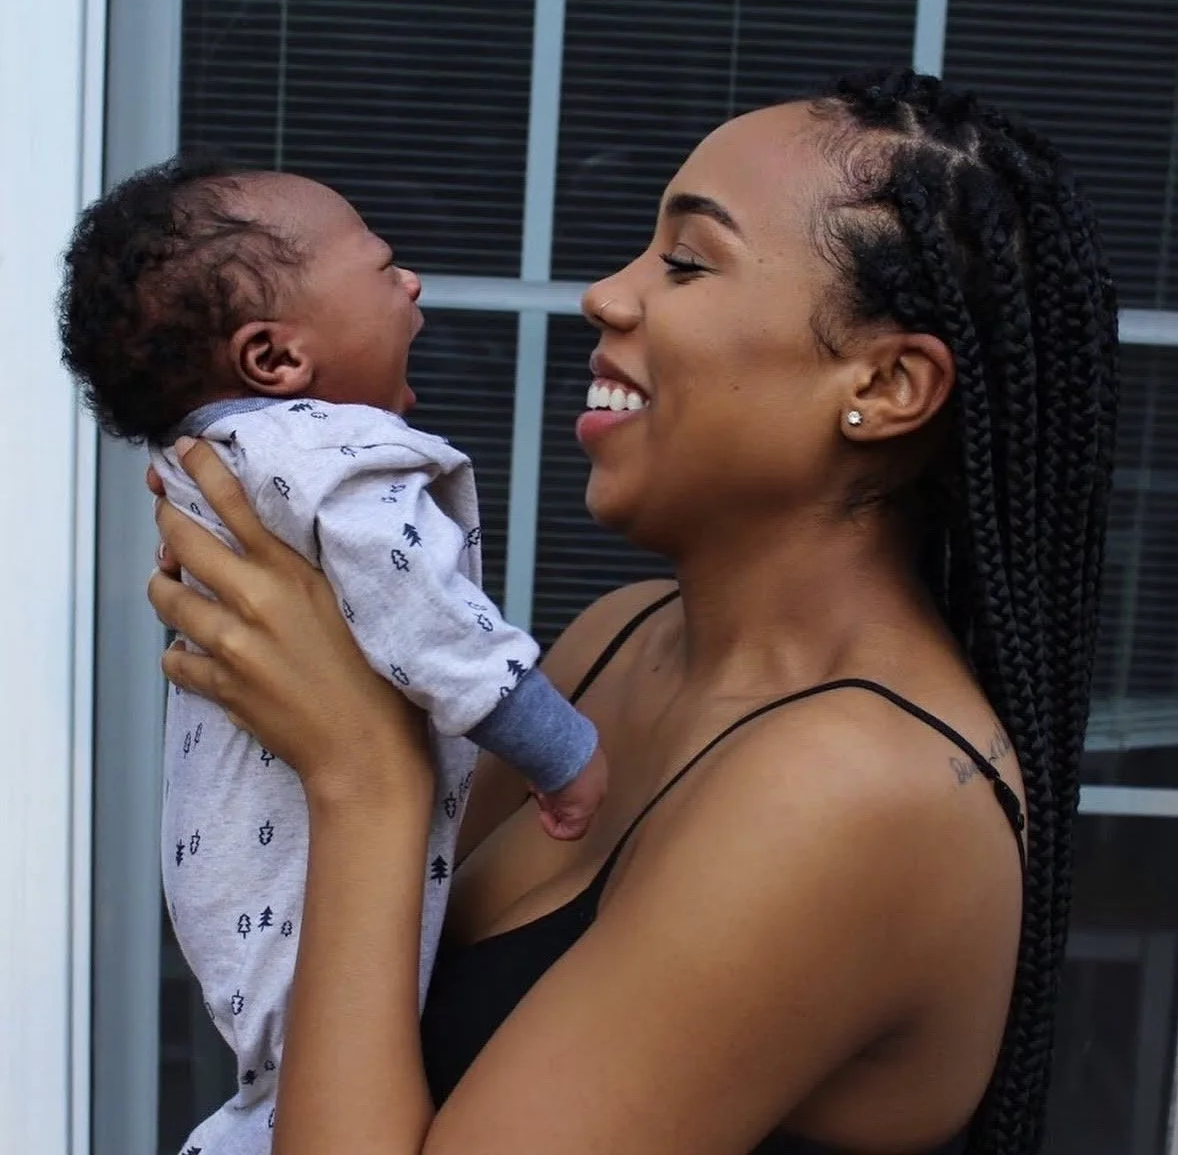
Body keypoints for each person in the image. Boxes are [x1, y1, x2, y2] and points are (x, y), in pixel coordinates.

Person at [146, 68, 1119, 1155]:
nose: (605, 295)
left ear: (885, 386)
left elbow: (370, 851)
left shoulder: (853, 791)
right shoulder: (623, 637)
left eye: (687, 262)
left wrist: (362, 774)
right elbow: (357, 996)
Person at [59, 160, 607, 1153]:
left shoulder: (217, 461)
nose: (411, 287)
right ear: (274, 358)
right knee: (309, 1052)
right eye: (383, 266)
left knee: (284, 1048)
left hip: (228, 844)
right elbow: (427, 620)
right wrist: (555, 746)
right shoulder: (323, 454)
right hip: (288, 837)